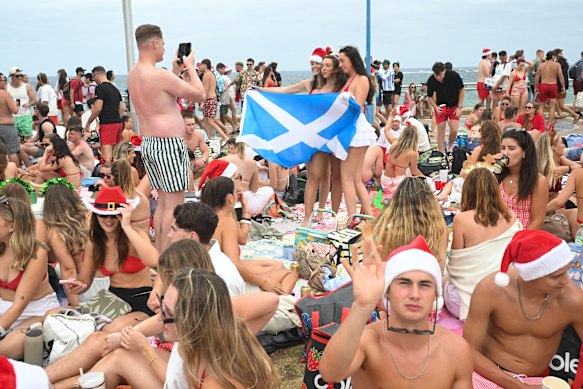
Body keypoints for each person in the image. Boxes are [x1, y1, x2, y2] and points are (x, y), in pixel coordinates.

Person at [320, 236, 473, 387]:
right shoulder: (367, 341)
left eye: (424, 285)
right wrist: (361, 307)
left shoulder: (456, 349)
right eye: (404, 283)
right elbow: (331, 373)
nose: (414, 294)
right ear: (387, 291)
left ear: (436, 294)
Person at [464, 230, 583, 388]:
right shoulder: (491, 290)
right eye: (556, 276)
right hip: (485, 374)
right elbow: (468, 350)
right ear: (531, 275)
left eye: (566, 272)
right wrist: (517, 386)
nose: (566, 281)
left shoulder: (572, 300)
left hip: (536, 381)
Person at [127, 24, 206, 251]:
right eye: (162, 43)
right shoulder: (158, 75)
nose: (163, 48)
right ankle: (168, 255)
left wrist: (173, 70)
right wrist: (190, 67)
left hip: (150, 143)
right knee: (174, 205)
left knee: (163, 202)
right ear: (154, 43)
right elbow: (200, 95)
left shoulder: (133, 75)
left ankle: (161, 254)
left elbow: (160, 94)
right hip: (168, 144)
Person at [200, 172, 296, 294]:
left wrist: (245, 209)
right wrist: (262, 281)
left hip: (216, 273)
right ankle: (273, 301)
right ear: (230, 198)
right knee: (289, 274)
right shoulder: (226, 222)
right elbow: (234, 265)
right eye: (235, 193)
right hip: (227, 279)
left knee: (277, 265)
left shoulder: (208, 217)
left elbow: (242, 239)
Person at [445, 168, 520, 320]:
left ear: (468, 190)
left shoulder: (462, 219)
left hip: (466, 302)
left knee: (443, 279)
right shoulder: (511, 216)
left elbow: (456, 264)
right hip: (504, 298)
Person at [75, 186, 158, 318]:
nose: (108, 220)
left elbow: (154, 261)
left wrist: (126, 226)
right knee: (57, 315)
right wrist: (77, 286)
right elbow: (85, 281)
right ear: (96, 215)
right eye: (103, 214)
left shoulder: (135, 235)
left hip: (141, 299)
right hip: (113, 299)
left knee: (107, 331)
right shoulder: (95, 242)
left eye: (114, 215)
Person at [0, 195, 59, 360]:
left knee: (2, 350)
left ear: (12, 226)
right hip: (4, 310)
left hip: (35, 313)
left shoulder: (36, 254)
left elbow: (19, 305)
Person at [372, 177, 448, 270]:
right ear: (430, 202)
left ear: (396, 200)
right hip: (427, 277)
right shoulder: (438, 226)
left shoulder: (385, 227)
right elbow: (441, 262)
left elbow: (379, 264)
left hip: (394, 278)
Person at [338, 46, 378, 217]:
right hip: (350, 127)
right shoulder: (350, 79)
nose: (340, 64)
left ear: (352, 60)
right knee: (354, 178)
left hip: (355, 128)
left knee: (346, 177)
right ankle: (366, 215)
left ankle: (351, 217)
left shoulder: (361, 79)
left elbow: (358, 105)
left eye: (342, 61)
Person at [41, 181, 89, 306]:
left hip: (82, 286)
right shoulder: (89, 215)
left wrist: (74, 305)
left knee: (59, 266)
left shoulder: (56, 231)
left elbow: (69, 269)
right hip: (105, 278)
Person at [496, 128, 548, 229]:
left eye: (511, 148)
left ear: (524, 152)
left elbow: (538, 221)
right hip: (497, 234)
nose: (505, 153)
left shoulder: (537, 180)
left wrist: (516, 241)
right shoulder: (497, 175)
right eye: (503, 148)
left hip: (523, 236)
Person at [221, 140, 274, 216]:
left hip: (226, 200)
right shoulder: (252, 162)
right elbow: (254, 189)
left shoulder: (222, 160)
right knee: (269, 190)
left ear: (231, 147)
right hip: (246, 201)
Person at [84, 66, 124, 163]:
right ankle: (118, 174)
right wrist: (117, 118)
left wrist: (89, 122)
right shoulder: (115, 89)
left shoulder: (100, 88)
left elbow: (98, 107)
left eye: (94, 77)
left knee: (107, 154)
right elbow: (121, 107)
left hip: (107, 123)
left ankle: (108, 174)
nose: (94, 80)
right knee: (116, 153)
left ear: (97, 74)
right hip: (118, 123)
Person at [426, 61, 465, 152]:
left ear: (444, 71)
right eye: (437, 75)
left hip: (454, 105)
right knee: (441, 129)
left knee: (454, 129)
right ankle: (441, 151)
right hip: (441, 106)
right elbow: (430, 97)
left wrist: (459, 106)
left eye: (441, 75)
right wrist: (435, 107)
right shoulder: (431, 80)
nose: (439, 78)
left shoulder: (453, 75)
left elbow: (462, 90)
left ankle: (449, 146)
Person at [381, 125, 424, 201]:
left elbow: (386, 130)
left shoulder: (394, 143)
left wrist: (391, 117)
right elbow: (414, 171)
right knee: (422, 180)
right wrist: (425, 178)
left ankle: (382, 199)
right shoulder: (413, 153)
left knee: (407, 171)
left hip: (385, 181)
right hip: (399, 184)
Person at [536, 130, 579, 202]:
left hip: (558, 201)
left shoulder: (559, 159)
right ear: (553, 148)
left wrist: (567, 169)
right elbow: (546, 199)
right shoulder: (551, 170)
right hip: (551, 207)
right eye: (561, 143)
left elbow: (579, 168)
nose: (564, 145)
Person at [199, 59, 229, 141]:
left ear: (205, 65)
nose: (199, 67)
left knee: (210, 121)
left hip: (209, 100)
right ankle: (208, 138)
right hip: (213, 99)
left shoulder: (206, 75)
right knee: (208, 121)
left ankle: (224, 136)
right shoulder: (211, 74)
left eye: (201, 65)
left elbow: (205, 90)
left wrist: (202, 103)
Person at [536, 51, 567, 125]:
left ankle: (542, 124)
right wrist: (563, 86)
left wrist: (536, 87)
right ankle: (549, 124)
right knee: (552, 107)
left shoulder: (541, 65)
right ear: (553, 57)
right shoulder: (557, 65)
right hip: (553, 85)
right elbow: (560, 76)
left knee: (541, 106)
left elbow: (537, 77)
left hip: (544, 85)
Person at [6, 67, 36, 140]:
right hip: (12, 116)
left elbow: (34, 100)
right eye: (17, 76)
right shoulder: (7, 87)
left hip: (25, 115)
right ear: (11, 76)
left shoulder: (27, 87)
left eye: (20, 75)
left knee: (27, 138)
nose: (19, 77)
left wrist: (29, 104)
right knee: (12, 139)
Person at [183, 114, 209, 183]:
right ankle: (186, 182)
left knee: (210, 162)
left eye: (193, 124)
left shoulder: (198, 134)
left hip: (191, 163)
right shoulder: (177, 136)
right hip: (179, 164)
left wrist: (202, 160)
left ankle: (191, 181)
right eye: (188, 125)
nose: (192, 127)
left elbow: (205, 151)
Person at [0, 73, 19, 166]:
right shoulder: (5, 94)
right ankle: (15, 174)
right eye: (4, 80)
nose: (5, 82)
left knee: (2, 153)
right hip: (7, 126)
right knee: (12, 152)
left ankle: (4, 174)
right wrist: (15, 104)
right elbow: (15, 110)